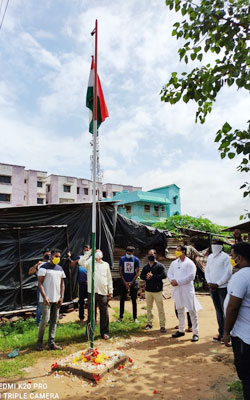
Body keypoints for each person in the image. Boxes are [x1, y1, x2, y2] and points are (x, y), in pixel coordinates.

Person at [223, 242, 250, 400]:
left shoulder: (241, 276)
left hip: (244, 337)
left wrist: (226, 332)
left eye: (232, 256)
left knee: (247, 377)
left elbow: (233, 307)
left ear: (239, 258)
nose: (231, 259)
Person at [168, 245, 202, 342]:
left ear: (183, 251)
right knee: (179, 309)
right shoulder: (174, 263)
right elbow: (169, 273)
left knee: (192, 310)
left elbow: (191, 276)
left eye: (178, 250)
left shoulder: (190, 263)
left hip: (187, 289)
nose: (176, 252)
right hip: (177, 289)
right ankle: (181, 329)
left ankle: (195, 332)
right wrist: (172, 280)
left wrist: (178, 281)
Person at [79, 249, 113, 340]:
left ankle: (104, 332)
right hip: (92, 292)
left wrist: (111, 291)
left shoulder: (105, 264)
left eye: (99, 251)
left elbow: (109, 278)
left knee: (104, 313)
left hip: (103, 291)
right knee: (91, 313)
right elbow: (81, 262)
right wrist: (89, 253)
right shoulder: (90, 263)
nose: (98, 253)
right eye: (96, 251)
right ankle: (90, 333)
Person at [36, 249, 65, 351]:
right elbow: (39, 283)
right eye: (56, 256)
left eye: (59, 257)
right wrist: (44, 297)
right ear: (51, 256)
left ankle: (51, 343)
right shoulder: (43, 268)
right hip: (46, 300)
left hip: (56, 299)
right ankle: (39, 342)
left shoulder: (60, 269)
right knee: (45, 320)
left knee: (54, 321)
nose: (58, 258)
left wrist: (61, 297)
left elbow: (62, 284)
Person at [205, 238, 232, 343]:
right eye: (212, 244)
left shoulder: (226, 257)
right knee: (218, 311)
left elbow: (228, 272)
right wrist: (209, 282)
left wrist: (218, 283)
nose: (213, 246)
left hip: (222, 288)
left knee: (225, 311)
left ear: (221, 246)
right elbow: (207, 270)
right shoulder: (210, 257)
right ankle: (221, 333)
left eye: (215, 244)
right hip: (213, 288)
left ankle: (227, 334)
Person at [140, 249, 167, 333]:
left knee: (160, 309)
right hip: (148, 290)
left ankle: (162, 325)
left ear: (155, 255)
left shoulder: (160, 266)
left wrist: (153, 276)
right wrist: (146, 277)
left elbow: (164, 275)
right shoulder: (146, 267)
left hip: (157, 290)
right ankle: (149, 323)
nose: (150, 256)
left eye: (151, 254)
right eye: (149, 255)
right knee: (149, 308)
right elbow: (141, 276)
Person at [28, 248, 51, 325]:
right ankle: (39, 322)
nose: (48, 256)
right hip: (42, 287)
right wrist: (36, 265)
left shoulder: (52, 264)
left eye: (50, 254)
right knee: (40, 304)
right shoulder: (40, 264)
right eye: (47, 254)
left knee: (51, 303)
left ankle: (50, 321)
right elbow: (30, 272)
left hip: (51, 286)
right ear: (43, 255)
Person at [117, 246, 140, 323]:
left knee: (134, 300)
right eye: (128, 252)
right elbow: (120, 271)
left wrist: (131, 282)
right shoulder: (122, 259)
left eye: (130, 252)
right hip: (123, 282)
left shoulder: (136, 260)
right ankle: (120, 316)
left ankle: (135, 317)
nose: (129, 254)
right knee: (122, 299)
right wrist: (125, 282)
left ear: (133, 252)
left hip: (133, 282)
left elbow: (137, 272)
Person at [69, 244, 90, 324]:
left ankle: (91, 318)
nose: (86, 251)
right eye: (85, 249)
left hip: (90, 283)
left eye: (88, 250)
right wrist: (76, 261)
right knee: (81, 301)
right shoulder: (80, 257)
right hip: (81, 282)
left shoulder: (92, 258)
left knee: (91, 301)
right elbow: (71, 265)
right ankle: (81, 318)